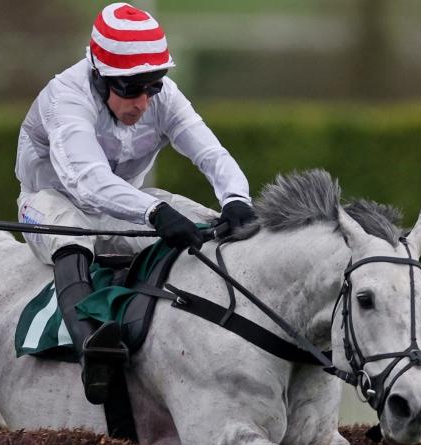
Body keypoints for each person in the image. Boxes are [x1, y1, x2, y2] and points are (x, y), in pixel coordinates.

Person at [15, 2, 256, 404]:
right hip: (49, 202)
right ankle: (92, 347)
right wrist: (155, 212)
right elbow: (88, 182)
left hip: (125, 203)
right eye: (130, 88)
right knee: (73, 232)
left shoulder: (163, 98)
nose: (143, 102)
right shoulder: (65, 98)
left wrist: (235, 198)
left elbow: (211, 154)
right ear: (99, 75)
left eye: (153, 85)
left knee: (209, 226)